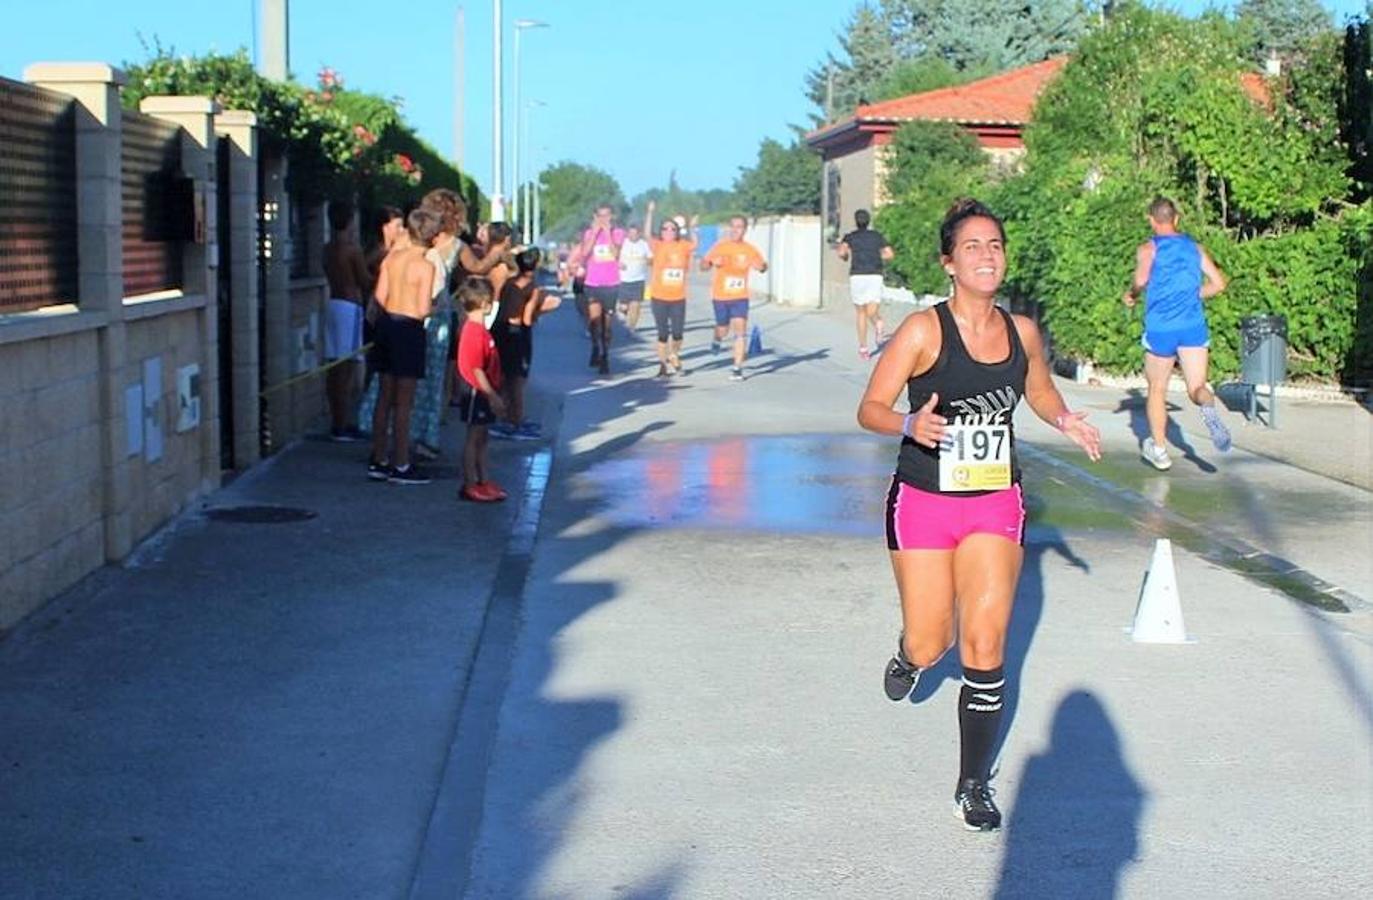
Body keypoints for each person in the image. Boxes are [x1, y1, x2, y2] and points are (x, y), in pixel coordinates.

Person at [856, 199, 1101, 832]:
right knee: (932, 639)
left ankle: (972, 783)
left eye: (995, 244)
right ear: (949, 263)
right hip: (924, 504)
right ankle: (909, 657)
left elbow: (1039, 389)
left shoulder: (1021, 332)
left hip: (995, 500)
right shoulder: (922, 331)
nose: (987, 255)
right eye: (973, 246)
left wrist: (1066, 418)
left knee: (985, 645)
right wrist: (911, 422)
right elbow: (872, 408)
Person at [1123, 196, 1232, 470]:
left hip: (1161, 328)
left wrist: (1132, 294)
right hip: (1192, 326)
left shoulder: (1149, 248)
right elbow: (1219, 284)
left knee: (1157, 390)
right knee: (1197, 387)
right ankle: (1207, 406)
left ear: (1151, 219)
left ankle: (1159, 450)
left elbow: (1141, 279)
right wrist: (1193, 295)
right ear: (1176, 218)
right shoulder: (1195, 248)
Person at [368, 207, 443, 484]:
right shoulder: (426, 266)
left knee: (383, 397)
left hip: (387, 325)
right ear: (433, 239)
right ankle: (401, 463)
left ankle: (378, 458)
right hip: (409, 329)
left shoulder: (392, 258)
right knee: (404, 403)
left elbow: (379, 296)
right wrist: (436, 306)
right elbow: (423, 308)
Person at [491, 247, 560, 439]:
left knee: (504, 377)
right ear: (536, 265)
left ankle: (503, 418)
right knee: (518, 380)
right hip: (518, 334)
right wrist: (546, 308)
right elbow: (527, 319)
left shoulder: (509, 283)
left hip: (501, 330)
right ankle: (517, 420)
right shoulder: (532, 287)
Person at [455, 277, 508, 502]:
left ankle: (483, 479)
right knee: (473, 437)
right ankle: (469, 483)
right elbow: (476, 369)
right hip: (477, 391)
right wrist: (492, 396)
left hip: (484, 390)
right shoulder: (474, 332)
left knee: (483, 437)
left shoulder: (479, 329)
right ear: (485, 303)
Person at [322, 199, 372, 441]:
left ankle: (337, 420)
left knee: (334, 366)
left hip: (333, 304)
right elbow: (365, 280)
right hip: (350, 308)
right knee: (347, 367)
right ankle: (341, 424)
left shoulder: (328, 248)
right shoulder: (352, 249)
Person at [701, 215, 768, 381]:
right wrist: (711, 263)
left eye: (739, 227)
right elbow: (703, 265)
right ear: (729, 228)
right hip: (721, 296)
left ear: (745, 230)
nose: (736, 229)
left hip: (740, 296)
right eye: (733, 226)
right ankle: (717, 338)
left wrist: (760, 266)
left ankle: (737, 368)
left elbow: (763, 266)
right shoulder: (720, 246)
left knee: (740, 330)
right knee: (723, 329)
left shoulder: (750, 249)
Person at [644, 200, 698, 377]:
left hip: (678, 297)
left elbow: (695, 243)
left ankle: (674, 353)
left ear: (677, 232)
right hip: (659, 296)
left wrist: (692, 227)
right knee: (662, 333)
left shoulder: (683, 246)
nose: (668, 232)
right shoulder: (657, 245)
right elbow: (646, 234)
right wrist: (650, 213)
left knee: (677, 333)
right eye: (665, 229)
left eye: (672, 229)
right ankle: (662, 365)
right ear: (660, 232)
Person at [837, 208, 895, 359]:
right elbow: (889, 254)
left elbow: (841, 252)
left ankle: (863, 348)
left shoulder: (850, 237)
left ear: (856, 221)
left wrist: (846, 257)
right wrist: (877, 255)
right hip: (875, 275)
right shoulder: (877, 236)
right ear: (869, 221)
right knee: (872, 309)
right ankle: (878, 322)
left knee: (861, 312)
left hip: (857, 275)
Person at [578, 204, 624, 375]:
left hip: (611, 284)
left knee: (607, 325)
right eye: (600, 216)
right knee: (595, 320)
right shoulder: (589, 234)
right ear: (595, 217)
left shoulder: (617, 233)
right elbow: (584, 252)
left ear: (612, 216)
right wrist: (595, 232)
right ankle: (595, 345)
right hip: (593, 282)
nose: (604, 220)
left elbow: (616, 253)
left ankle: (605, 354)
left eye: (607, 216)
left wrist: (607, 234)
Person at [617, 221, 652, 331]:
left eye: (635, 233)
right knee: (624, 307)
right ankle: (623, 311)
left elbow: (651, 258)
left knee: (636, 306)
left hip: (638, 280)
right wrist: (617, 263)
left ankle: (630, 328)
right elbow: (613, 255)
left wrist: (649, 261)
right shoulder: (622, 243)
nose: (633, 236)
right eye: (630, 233)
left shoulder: (644, 244)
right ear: (628, 233)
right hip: (623, 280)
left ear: (639, 234)